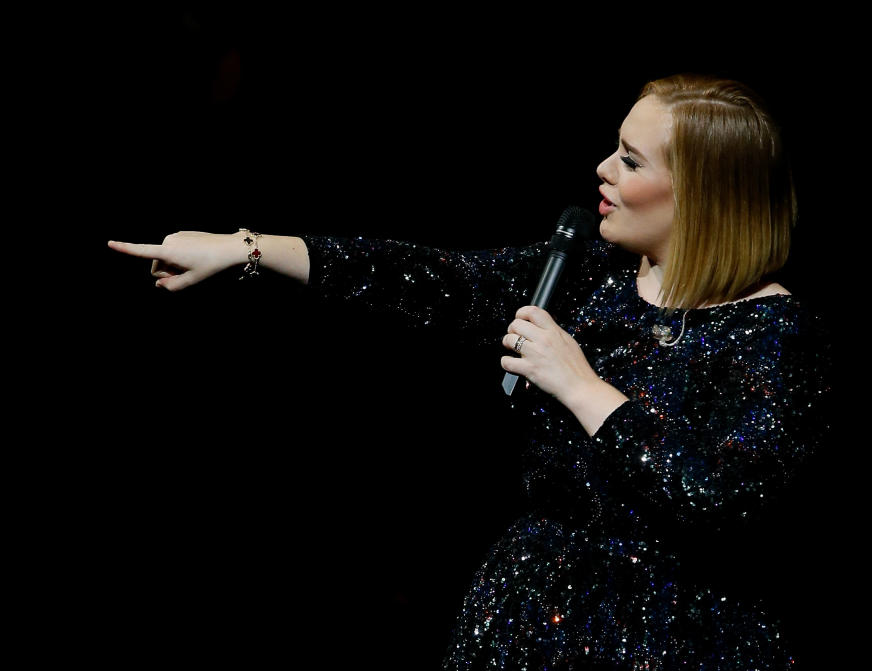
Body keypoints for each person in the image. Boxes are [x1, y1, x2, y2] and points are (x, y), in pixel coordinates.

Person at [107, 73, 832, 669]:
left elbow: (724, 498)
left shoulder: (774, 333)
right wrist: (249, 248)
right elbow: (431, 279)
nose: (604, 170)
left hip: (672, 641)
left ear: (700, 196)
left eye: (632, 161)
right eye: (616, 148)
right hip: (527, 622)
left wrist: (581, 385)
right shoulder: (590, 275)